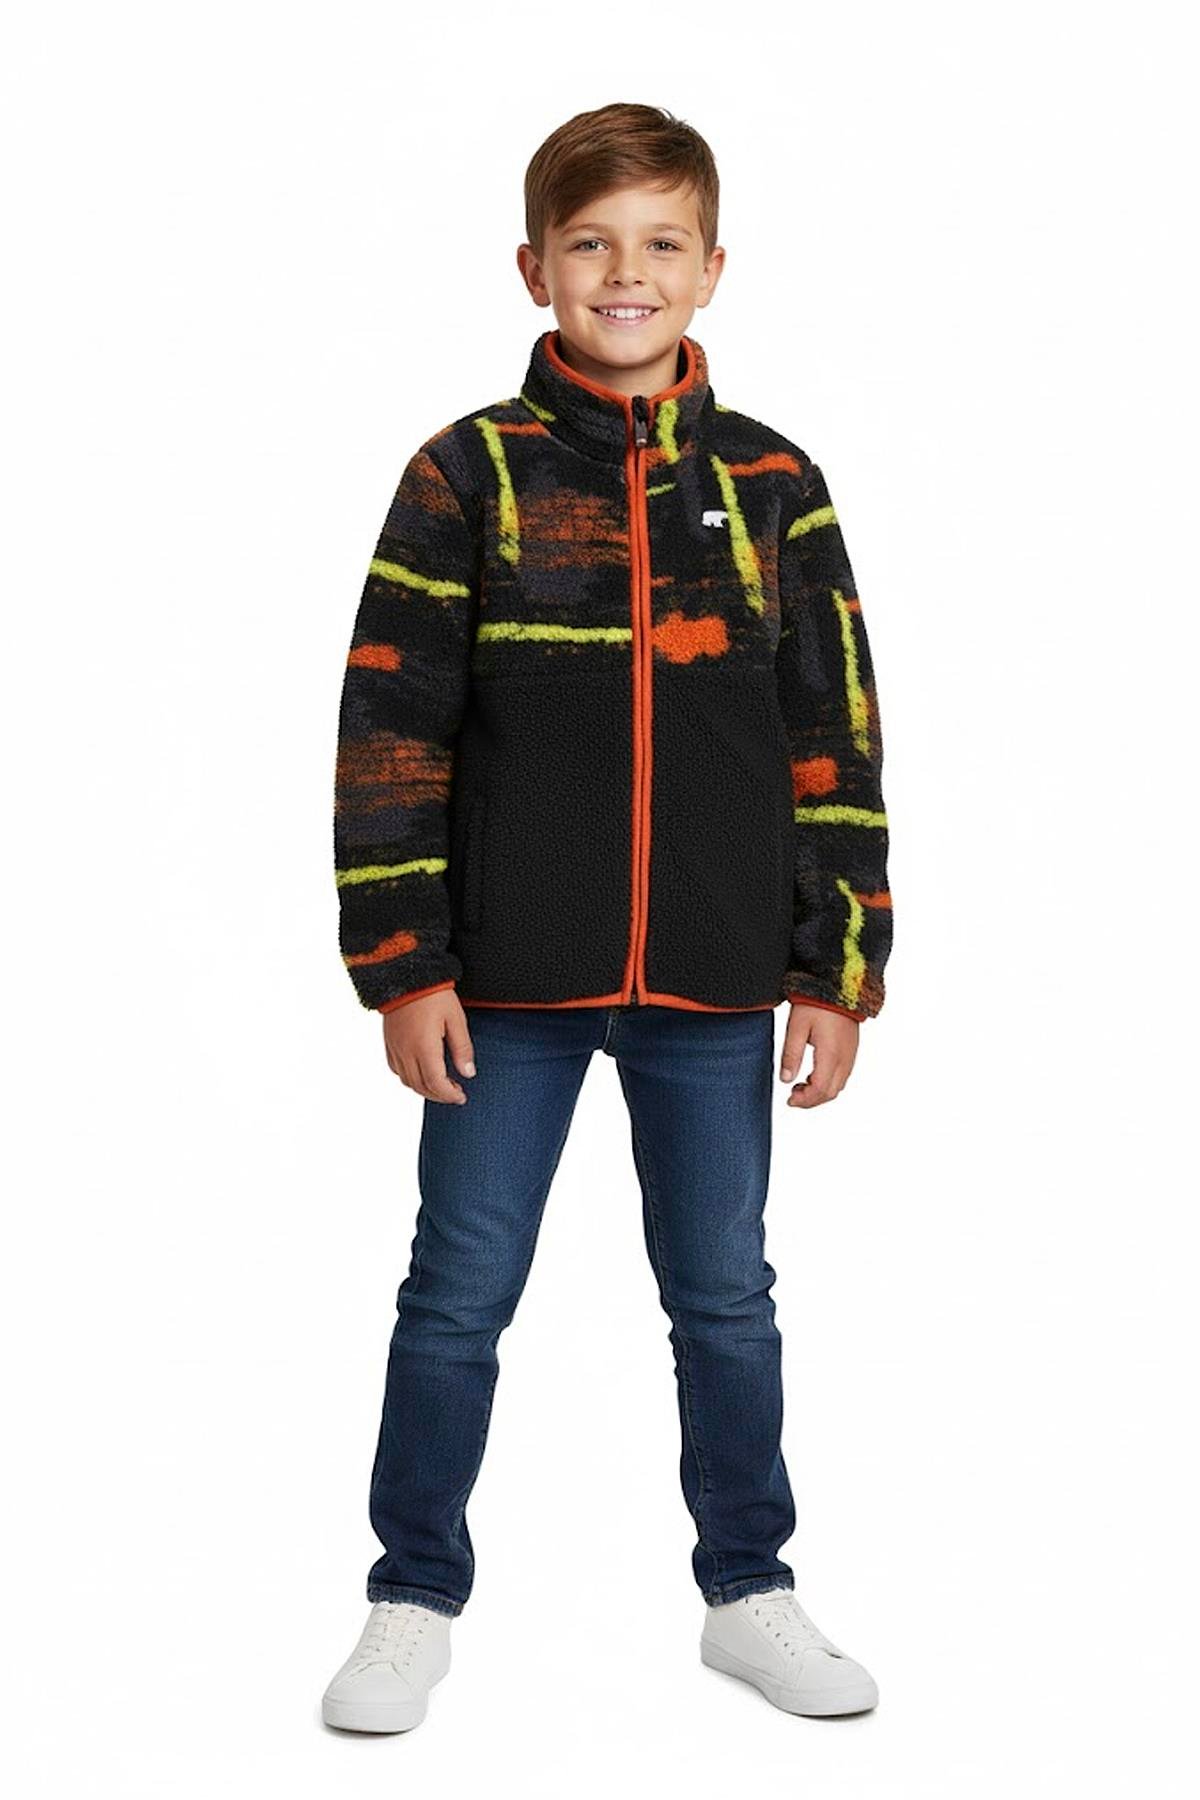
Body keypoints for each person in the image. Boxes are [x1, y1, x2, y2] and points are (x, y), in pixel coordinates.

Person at [322, 101, 893, 1734]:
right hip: (504, 985)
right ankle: (409, 1596)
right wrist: (403, 964)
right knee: (457, 1295)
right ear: (535, 268)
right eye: (590, 244)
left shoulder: (774, 482)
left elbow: (834, 730)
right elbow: (391, 729)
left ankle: (750, 1590)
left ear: (711, 269)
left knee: (725, 1298)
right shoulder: (468, 474)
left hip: (715, 977)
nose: (623, 274)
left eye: (658, 245)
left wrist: (839, 964)